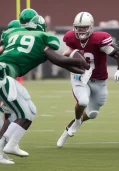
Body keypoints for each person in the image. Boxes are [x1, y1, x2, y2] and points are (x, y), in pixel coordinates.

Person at [0, 8, 89, 164]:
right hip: (4, 76)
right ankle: (7, 146)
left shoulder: (12, 34)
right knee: (22, 114)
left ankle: (10, 145)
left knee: (29, 111)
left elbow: (59, 61)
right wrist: (81, 63)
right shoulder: (42, 38)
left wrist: (80, 68)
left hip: (6, 76)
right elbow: (60, 60)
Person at [57, 12, 119, 148]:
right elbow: (68, 52)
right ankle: (76, 122)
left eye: (84, 27)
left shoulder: (99, 39)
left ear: (91, 27)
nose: (81, 30)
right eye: (78, 27)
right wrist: (68, 56)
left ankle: (72, 126)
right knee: (82, 101)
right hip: (80, 77)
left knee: (92, 114)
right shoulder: (71, 37)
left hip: (99, 79)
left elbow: (118, 54)